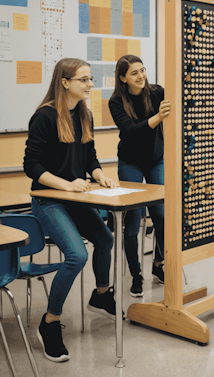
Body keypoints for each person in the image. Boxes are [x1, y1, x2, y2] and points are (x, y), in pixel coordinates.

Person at [24, 58, 120, 363]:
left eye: (90, 79)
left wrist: (99, 174)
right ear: (65, 82)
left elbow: (89, 156)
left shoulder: (84, 114)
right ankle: (50, 323)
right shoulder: (45, 116)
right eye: (84, 80)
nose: (90, 84)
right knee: (77, 255)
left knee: (105, 239)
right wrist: (65, 185)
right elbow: (33, 166)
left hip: (75, 200)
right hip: (48, 201)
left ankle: (101, 294)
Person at [109, 55, 170, 297]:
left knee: (162, 216)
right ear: (123, 78)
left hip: (156, 160)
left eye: (142, 70)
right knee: (132, 220)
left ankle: (159, 264)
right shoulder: (116, 101)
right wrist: (158, 118)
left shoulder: (156, 93)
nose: (141, 76)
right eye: (134, 73)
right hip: (130, 162)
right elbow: (130, 131)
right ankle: (136, 275)